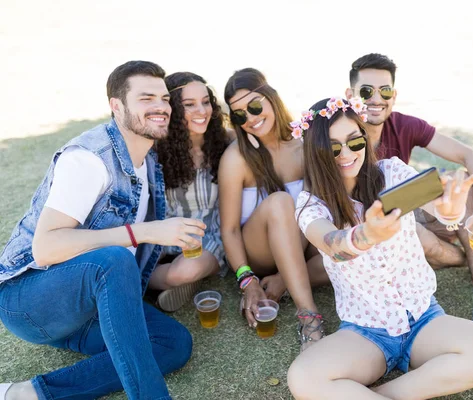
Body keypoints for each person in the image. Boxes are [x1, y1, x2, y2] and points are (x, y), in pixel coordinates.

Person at [0, 61, 205, 400]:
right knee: (112, 260)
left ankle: (29, 394)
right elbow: (46, 248)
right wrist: (145, 232)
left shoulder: (147, 155)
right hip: (30, 301)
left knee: (173, 344)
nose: (160, 107)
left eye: (165, 98)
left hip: (85, 306)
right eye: (146, 98)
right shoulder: (89, 160)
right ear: (116, 105)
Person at [287, 97, 473, 400]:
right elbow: (333, 245)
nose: (347, 154)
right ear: (316, 153)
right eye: (334, 148)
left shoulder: (390, 172)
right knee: (302, 378)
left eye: (355, 142)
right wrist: (367, 234)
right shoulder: (310, 204)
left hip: (424, 317)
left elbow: (434, 199)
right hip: (366, 332)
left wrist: (451, 209)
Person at [346, 53, 473, 327]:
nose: (376, 99)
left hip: (407, 214)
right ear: (350, 94)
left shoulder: (403, 124)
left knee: (460, 185)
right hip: (369, 233)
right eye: (366, 91)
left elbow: (470, 156)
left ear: (394, 95)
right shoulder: (340, 131)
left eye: (384, 90)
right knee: (414, 234)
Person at [219, 68, 328, 350]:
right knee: (281, 201)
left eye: (255, 106)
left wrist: (281, 278)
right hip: (261, 250)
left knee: (345, 247)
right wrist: (247, 280)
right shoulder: (236, 158)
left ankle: (287, 280)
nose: (251, 118)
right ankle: (309, 316)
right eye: (240, 115)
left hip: (304, 243)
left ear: (272, 98)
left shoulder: (304, 144)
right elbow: (229, 230)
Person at [152, 72, 232, 312]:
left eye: (206, 102)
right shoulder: (156, 148)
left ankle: (156, 283)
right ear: (173, 109)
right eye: (189, 105)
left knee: (186, 270)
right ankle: (171, 279)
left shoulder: (226, 143)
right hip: (163, 238)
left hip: (207, 239)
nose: (202, 110)